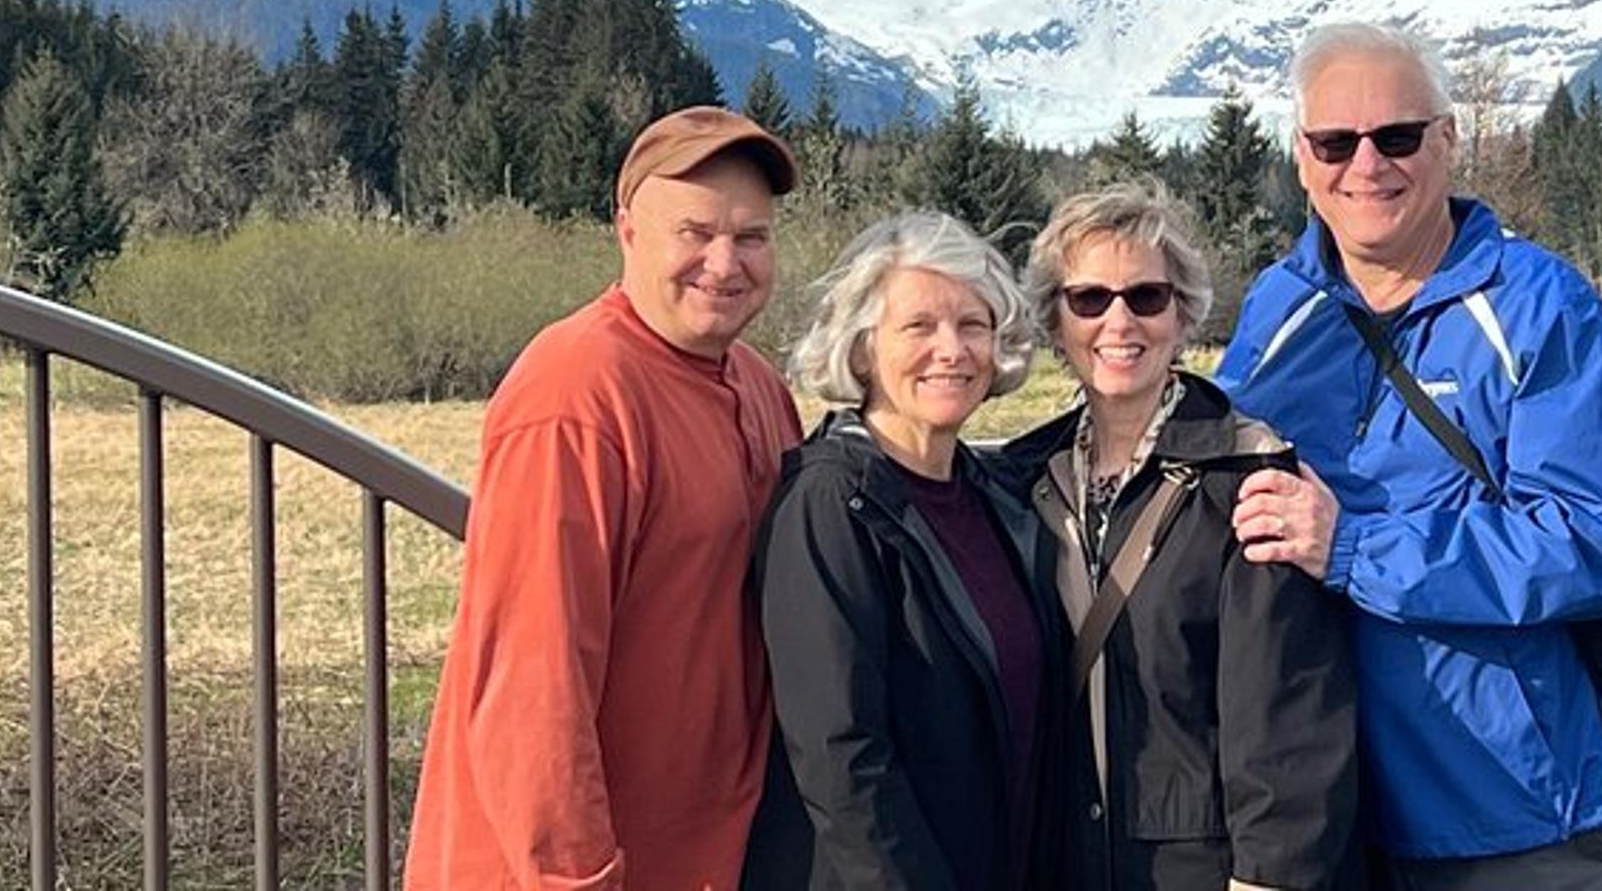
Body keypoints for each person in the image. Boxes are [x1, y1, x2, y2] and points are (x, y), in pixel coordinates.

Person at [1218, 22, 1602, 890]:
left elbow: (1598, 543)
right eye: (1335, 141)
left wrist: (1355, 549)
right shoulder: (1276, 310)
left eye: (1398, 136)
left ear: (1449, 140)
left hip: (1514, 812)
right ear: (1301, 158)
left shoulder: (1541, 306)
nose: (1366, 165)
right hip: (1321, 812)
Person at [406, 106, 803, 891]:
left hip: (701, 856)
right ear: (626, 230)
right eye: (694, 232)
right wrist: (576, 875)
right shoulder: (576, 392)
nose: (724, 263)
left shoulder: (758, 385)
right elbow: (534, 678)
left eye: (751, 236)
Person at [998, 181, 1363, 891]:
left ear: (1183, 312)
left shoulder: (1246, 477)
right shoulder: (1021, 478)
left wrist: (1268, 877)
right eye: (1089, 298)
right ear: (1054, 318)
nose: (1119, 320)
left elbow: (1288, 715)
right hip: (1061, 858)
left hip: (1202, 865)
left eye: (1146, 296)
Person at [742, 212, 1068, 891]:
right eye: (919, 326)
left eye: (972, 324)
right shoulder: (829, 504)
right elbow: (841, 758)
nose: (951, 349)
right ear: (862, 349)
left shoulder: (994, 495)